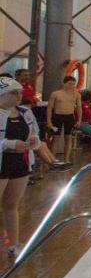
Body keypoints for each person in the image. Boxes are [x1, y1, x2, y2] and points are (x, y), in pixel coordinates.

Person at [0, 77, 42, 261]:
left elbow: (35, 134)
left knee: (12, 205)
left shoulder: (25, 113)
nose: (19, 96)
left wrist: (34, 142)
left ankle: (14, 244)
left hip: (20, 163)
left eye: (19, 92)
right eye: (14, 93)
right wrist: (9, 143)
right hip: (2, 163)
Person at [46, 75, 82, 163]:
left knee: (68, 138)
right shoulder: (56, 94)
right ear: (64, 83)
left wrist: (79, 120)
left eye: (73, 84)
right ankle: (52, 160)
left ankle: (66, 160)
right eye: (70, 84)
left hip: (69, 117)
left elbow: (79, 108)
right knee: (55, 139)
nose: (71, 86)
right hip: (57, 116)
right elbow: (49, 108)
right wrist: (49, 121)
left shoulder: (76, 94)